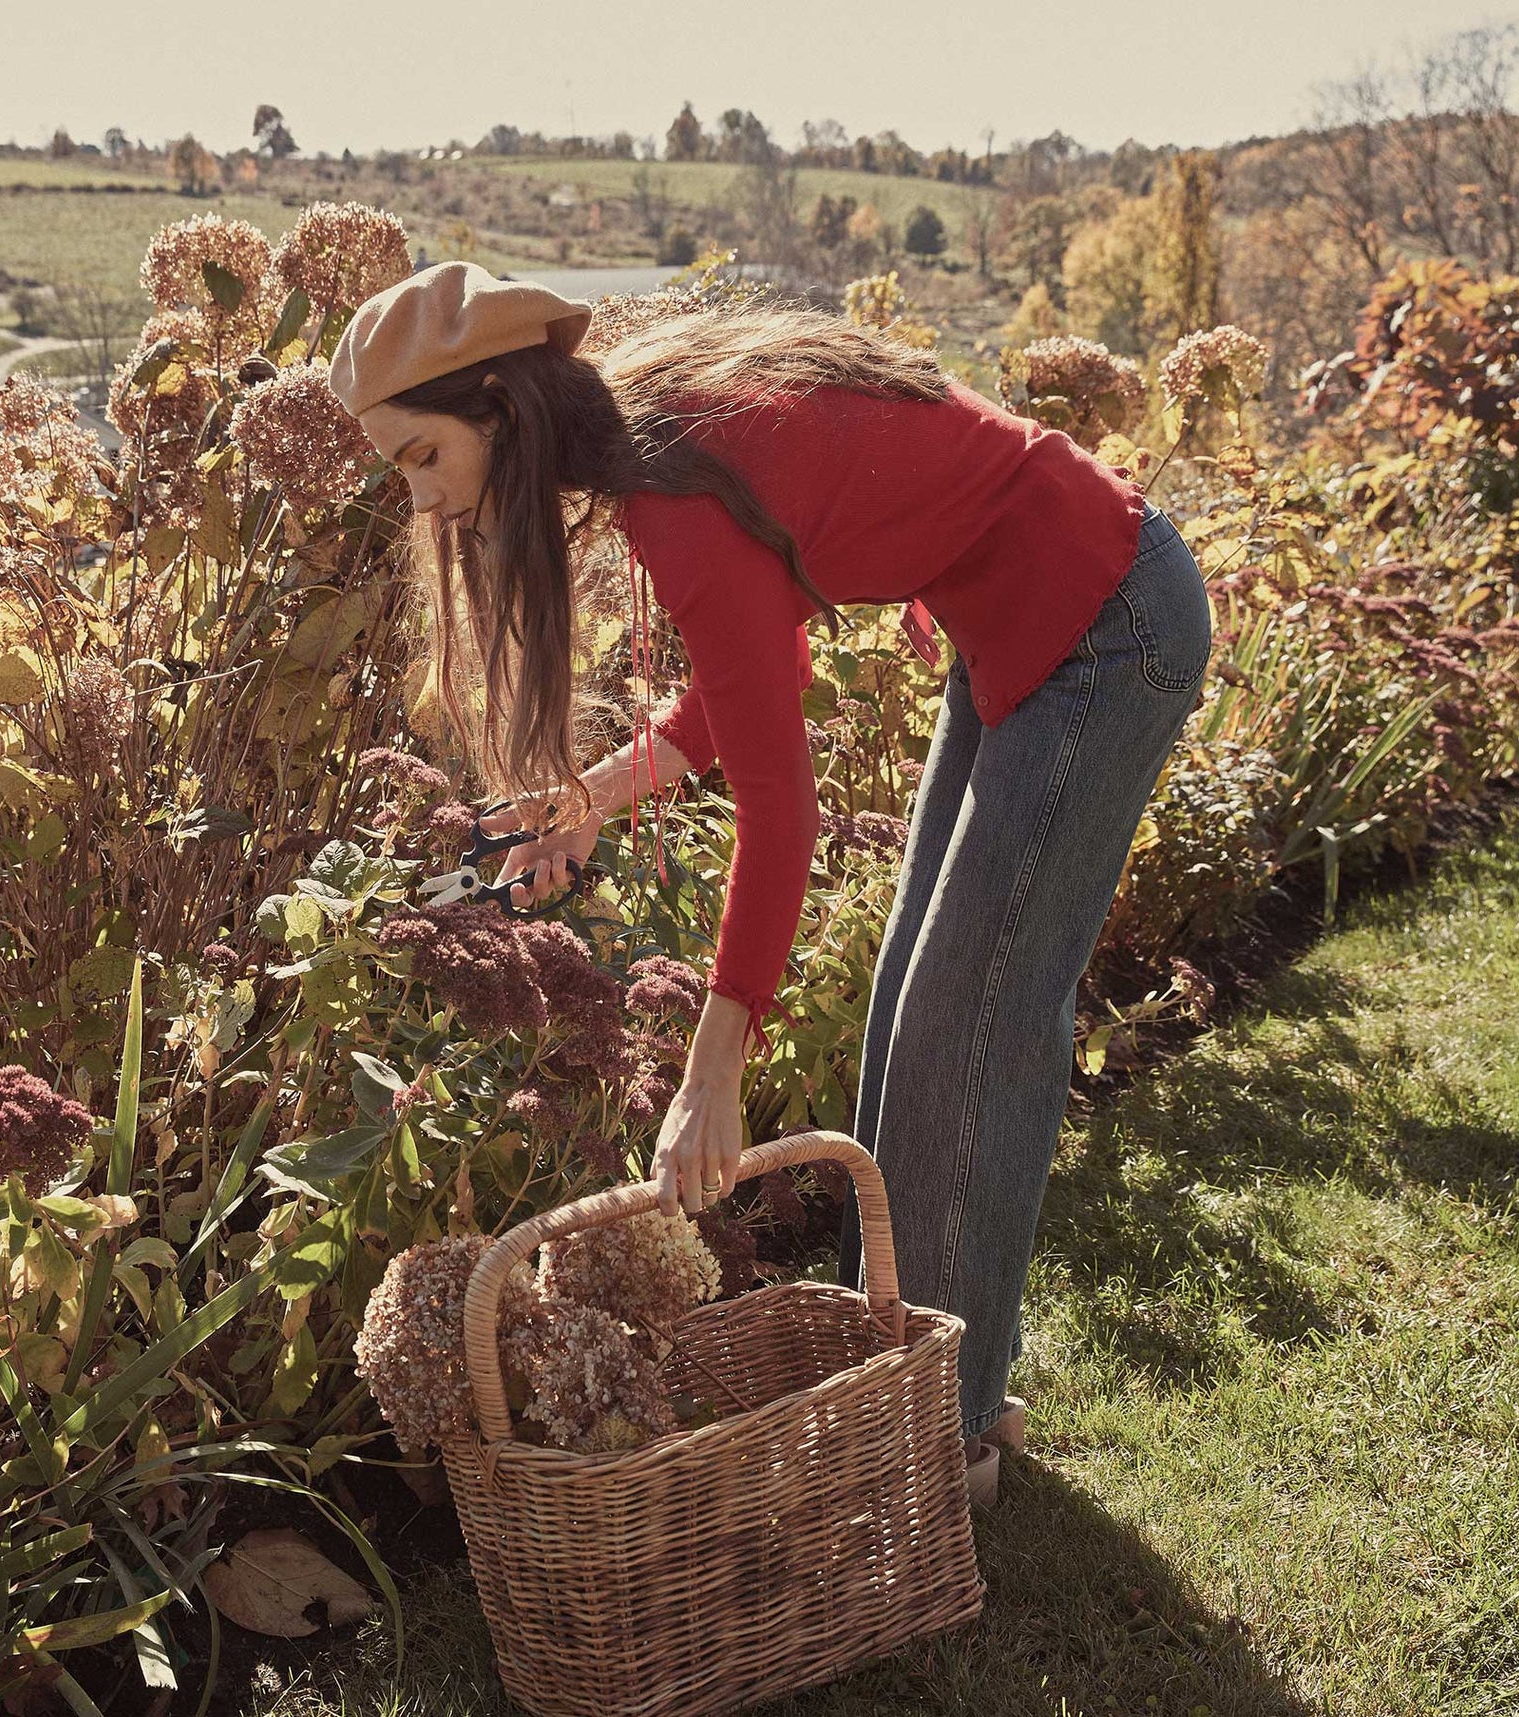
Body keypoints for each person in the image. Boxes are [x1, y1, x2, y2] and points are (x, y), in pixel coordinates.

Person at [328, 260, 1213, 1504]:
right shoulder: (653, 448)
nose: (420, 499)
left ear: (500, 413)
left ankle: (939, 1427)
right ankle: (935, 1380)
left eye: (420, 457)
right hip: (1025, 619)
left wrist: (712, 1070)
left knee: (972, 1018)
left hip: (1105, 620)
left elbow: (778, 810)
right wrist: (596, 790)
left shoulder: (669, 485)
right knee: (916, 997)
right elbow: (742, 677)